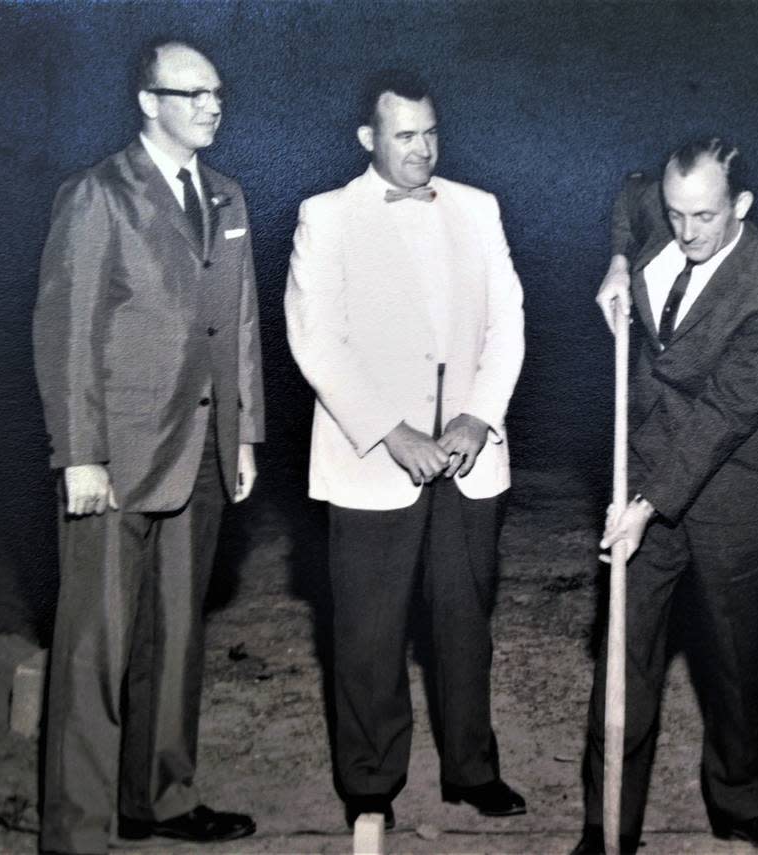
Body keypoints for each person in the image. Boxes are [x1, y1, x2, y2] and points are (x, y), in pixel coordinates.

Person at [32, 39, 264, 854]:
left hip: (201, 449)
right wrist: (79, 452)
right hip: (117, 458)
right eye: (191, 92)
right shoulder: (98, 195)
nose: (211, 105)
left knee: (177, 638)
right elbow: (65, 330)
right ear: (146, 100)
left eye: (217, 92)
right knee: (95, 649)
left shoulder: (228, 198)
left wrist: (244, 436)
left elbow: (238, 326)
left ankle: (159, 797)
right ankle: (77, 831)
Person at [284, 69, 526, 830]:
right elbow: (318, 339)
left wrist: (477, 419)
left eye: (430, 133)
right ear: (368, 139)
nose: (422, 149)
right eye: (404, 136)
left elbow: (509, 325)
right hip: (372, 461)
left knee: (464, 622)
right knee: (367, 629)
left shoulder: (479, 208)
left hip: (468, 459)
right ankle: (369, 780)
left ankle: (472, 769)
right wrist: (394, 432)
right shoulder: (324, 216)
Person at [572, 138, 758, 854]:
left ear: (740, 205)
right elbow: (629, 193)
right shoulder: (659, 206)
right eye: (676, 215)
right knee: (627, 647)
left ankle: (738, 798)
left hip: (733, 479)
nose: (686, 231)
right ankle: (608, 820)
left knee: (735, 652)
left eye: (704, 217)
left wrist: (646, 507)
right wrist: (619, 260)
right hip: (641, 460)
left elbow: (723, 417)